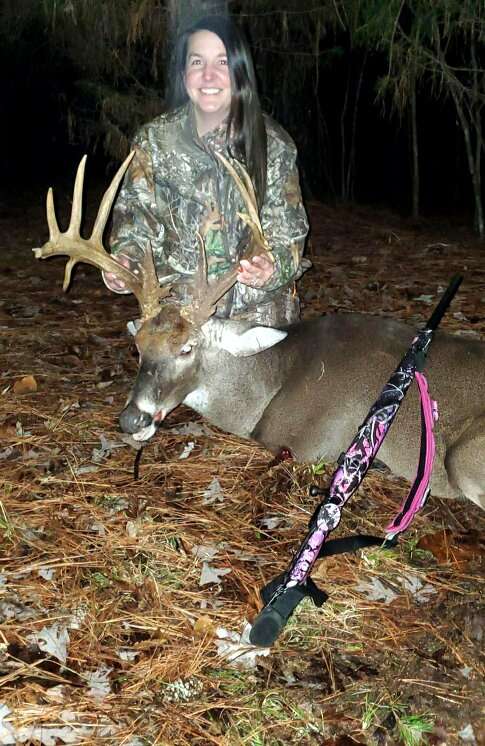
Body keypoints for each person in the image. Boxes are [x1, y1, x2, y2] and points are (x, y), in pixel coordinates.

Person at [104, 14, 310, 327]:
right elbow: (134, 222)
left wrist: (272, 267)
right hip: (178, 318)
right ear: (184, 72)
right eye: (197, 62)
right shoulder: (154, 142)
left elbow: (289, 235)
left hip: (256, 316)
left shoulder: (273, 144)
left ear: (240, 71)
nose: (208, 76)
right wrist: (126, 263)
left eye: (222, 63)